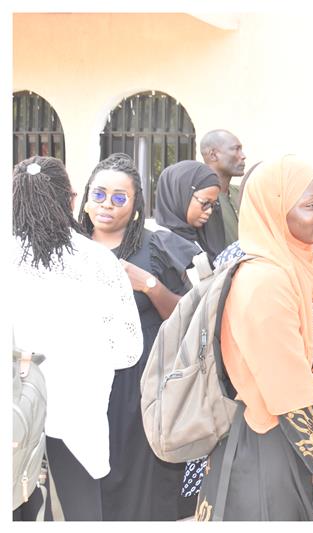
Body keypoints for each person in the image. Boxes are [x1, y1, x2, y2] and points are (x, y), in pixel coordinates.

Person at [194, 155, 313, 521]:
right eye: (311, 205)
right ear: (274, 210)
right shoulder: (265, 280)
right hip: (268, 445)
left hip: (287, 440)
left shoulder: (298, 265)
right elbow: (288, 393)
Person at [11, 156, 143, 520]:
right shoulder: (98, 261)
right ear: (70, 199)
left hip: (14, 410)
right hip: (77, 416)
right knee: (80, 512)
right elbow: (127, 351)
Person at [75, 153, 198, 520]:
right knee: (88, 475)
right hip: (84, 382)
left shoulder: (156, 247)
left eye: (119, 197)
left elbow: (185, 315)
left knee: (142, 480)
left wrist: (149, 284)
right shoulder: (69, 247)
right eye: (98, 195)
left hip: (142, 382)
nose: (106, 206)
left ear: (135, 203)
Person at [154, 159, 226, 264]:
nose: (209, 211)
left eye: (213, 205)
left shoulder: (205, 235)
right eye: (205, 203)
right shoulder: (159, 245)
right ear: (180, 196)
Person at [200, 129, 247, 245]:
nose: (243, 156)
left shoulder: (242, 193)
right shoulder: (199, 200)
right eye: (236, 149)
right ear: (213, 155)